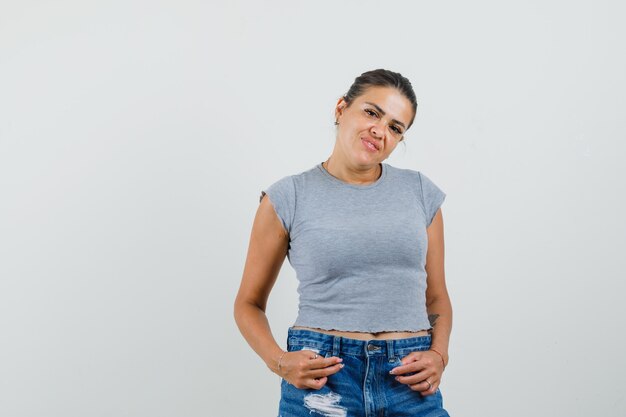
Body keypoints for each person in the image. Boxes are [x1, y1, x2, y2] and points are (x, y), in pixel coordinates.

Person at [234, 69, 452, 416]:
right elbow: (248, 303)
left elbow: (437, 296)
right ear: (340, 109)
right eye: (372, 112)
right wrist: (278, 362)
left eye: (396, 127)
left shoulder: (420, 193)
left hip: (409, 380)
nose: (380, 131)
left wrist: (439, 354)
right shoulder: (287, 196)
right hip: (325, 382)